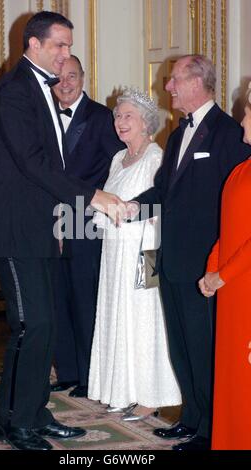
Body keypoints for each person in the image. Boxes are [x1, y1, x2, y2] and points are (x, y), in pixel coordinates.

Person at [0, 11, 123, 451]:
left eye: (69, 45)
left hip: (36, 226)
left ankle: (29, 414)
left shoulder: (39, 89)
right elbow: (33, 165)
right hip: (13, 229)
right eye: (59, 44)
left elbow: (47, 167)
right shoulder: (17, 91)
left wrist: (57, 220)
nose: (66, 54)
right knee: (30, 326)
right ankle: (18, 425)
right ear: (33, 44)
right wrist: (93, 196)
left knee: (44, 324)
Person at [125, 55, 250, 449]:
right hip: (172, 258)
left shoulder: (229, 133)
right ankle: (192, 418)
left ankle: (213, 429)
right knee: (182, 345)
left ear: (198, 82)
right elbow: (165, 191)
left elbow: (237, 206)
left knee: (206, 349)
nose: (169, 87)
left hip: (208, 265)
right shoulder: (176, 134)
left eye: (175, 79)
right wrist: (128, 208)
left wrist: (221, 266)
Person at [87, 88, 182, 419]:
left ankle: (148, 396)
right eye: (117, 115)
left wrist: (150, 262)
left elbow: (161, 206)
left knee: (145, 317)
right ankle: (122, 388)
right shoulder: (117, 158)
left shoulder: (157, 158)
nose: (119, 121)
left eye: (128, 115)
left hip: (146, 253)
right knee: (118, 313)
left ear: (146, 124)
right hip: (115, 253)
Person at [50, 55, 124, 397]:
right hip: (48, 220)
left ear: (83, 77)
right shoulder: (42, 115)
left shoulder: (100, 118)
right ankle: (67, 369)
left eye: (72, 76)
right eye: (60, 77)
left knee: (85, 298)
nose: (66, 83)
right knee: (57, 297)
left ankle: (89, 374)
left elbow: (120, 164)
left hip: (86, 221)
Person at [199, 85, 251, 450]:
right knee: (231, 379)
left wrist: (223, 274)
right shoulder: (239, 171)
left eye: (247, 111)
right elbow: (229, 231)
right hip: (231, 294)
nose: (242, 119)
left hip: (245, 289)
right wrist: (211, 268)